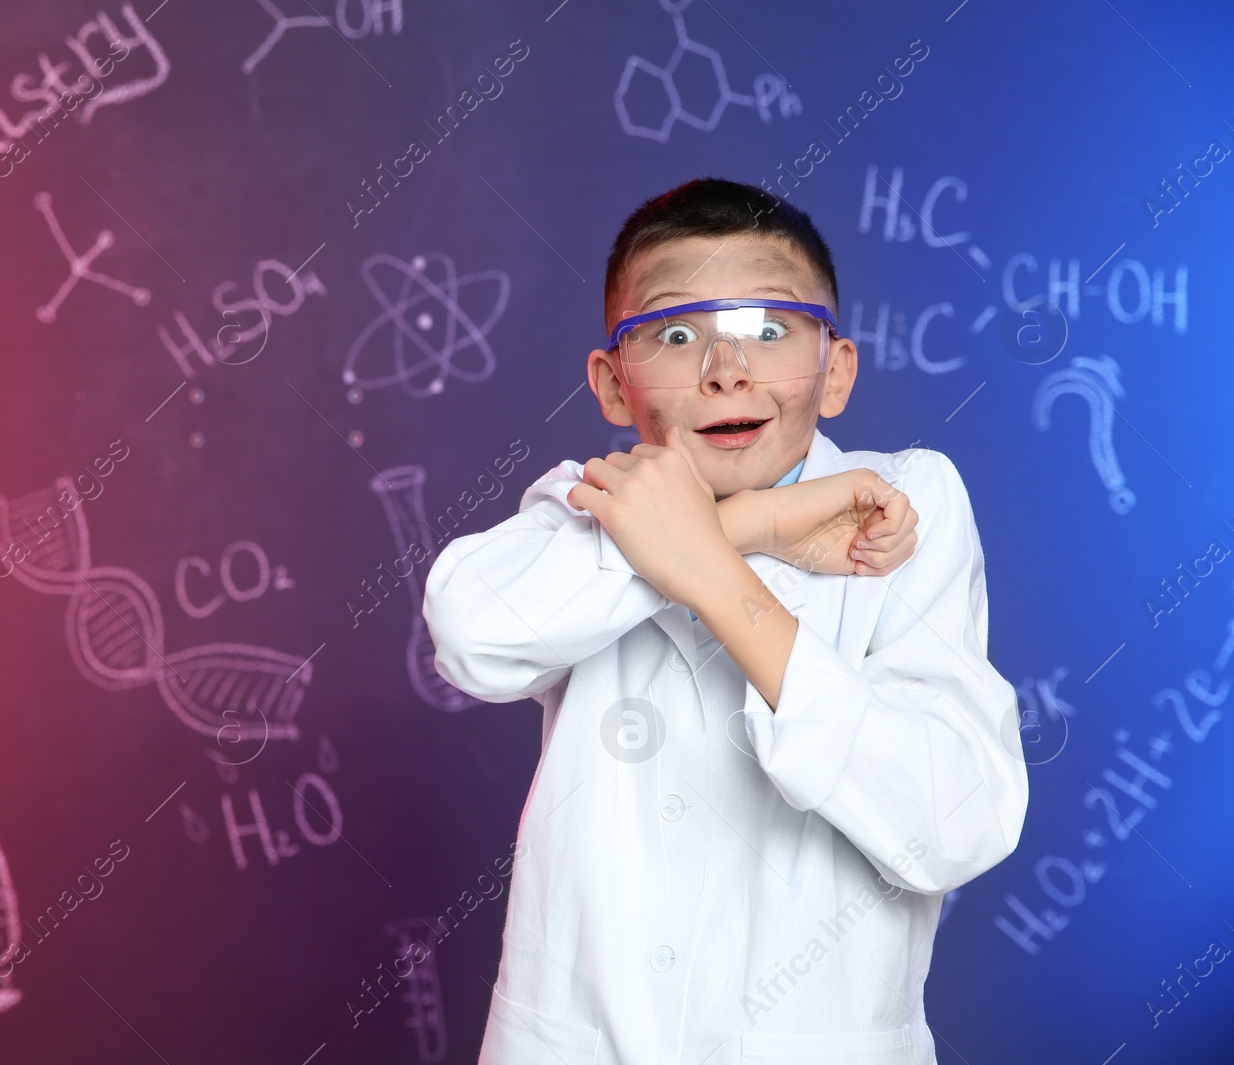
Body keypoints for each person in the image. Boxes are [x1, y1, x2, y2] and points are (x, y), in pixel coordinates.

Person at [422, 178, 1028, 1065]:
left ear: (837, 372)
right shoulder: (590, 504)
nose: (726, 368)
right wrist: (752, 527)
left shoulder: (903, 501)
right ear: (613, 384)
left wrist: (707, 568)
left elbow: (950, 824)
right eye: (675, 333)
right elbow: (471, 636)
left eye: (769, 329)